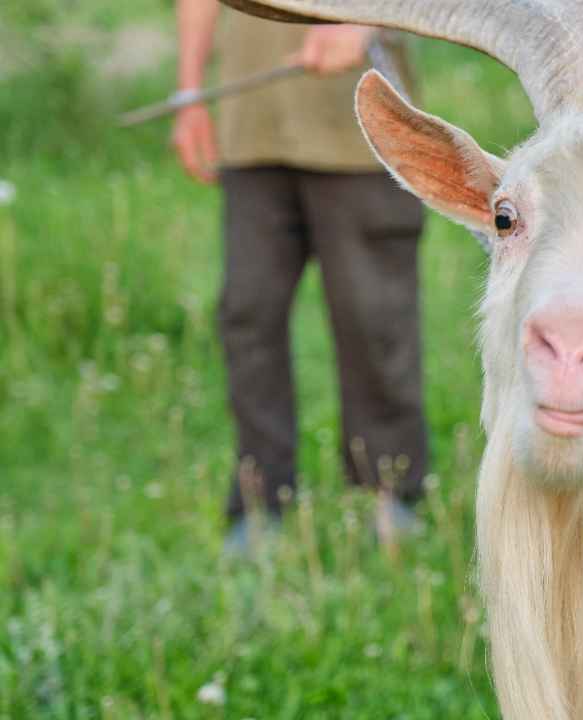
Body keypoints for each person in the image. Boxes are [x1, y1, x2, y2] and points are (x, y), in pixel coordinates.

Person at [171, 0, 430, 554]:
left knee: (373, 319)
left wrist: (364, 22)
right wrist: (190, 93)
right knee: (248, 316)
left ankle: (390, 492)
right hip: (251, 132)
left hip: (363, 137)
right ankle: (260, 499)